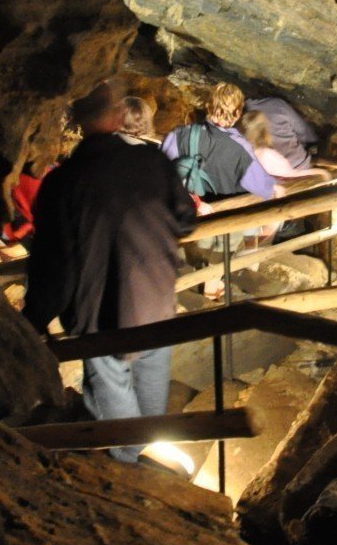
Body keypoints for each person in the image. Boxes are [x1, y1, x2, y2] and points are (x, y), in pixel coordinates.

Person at [24, 81, 198, 462]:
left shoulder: (63, 182)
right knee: (151, 409)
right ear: (120, 116)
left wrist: (33, 319)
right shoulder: (153, 162)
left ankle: (126, 471)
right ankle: (148, 464)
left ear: (75, 120)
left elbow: (53, 263)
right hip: (155, 302)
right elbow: (185, 220)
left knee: (119, 423)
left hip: (101, 314)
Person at [161, 83, 276, 202]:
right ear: (238, 113)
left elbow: (161, 170)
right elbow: (265, 190)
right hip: (219, 211)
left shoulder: (178, 135)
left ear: (208, 106)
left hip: (181, 203)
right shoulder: (241, 149)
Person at [245, 95, 319, 172]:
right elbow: (306, 133)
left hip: (272, 176)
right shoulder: (276, 105)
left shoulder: (237, 128)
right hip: (300, 165)